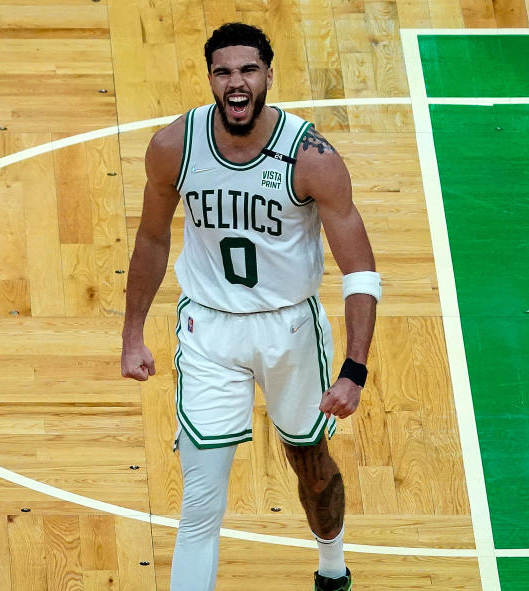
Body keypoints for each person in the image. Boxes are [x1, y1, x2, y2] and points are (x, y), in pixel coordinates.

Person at [120, 22, 379, 591]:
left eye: (247, 70)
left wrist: (354, 370)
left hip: (289, 328)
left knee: (309, 466)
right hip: (207, 328)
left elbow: (360, 270)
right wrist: (132, 333)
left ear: (267, 74)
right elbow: (151, 239)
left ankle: (332, 568)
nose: (235, 83)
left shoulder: (310, 156)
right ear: (210, 77)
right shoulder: (174, 146)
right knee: (202, 498)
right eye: (223, 71)